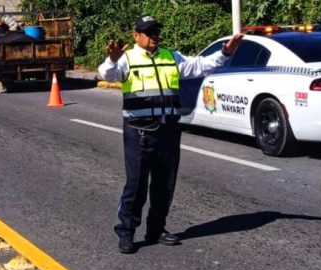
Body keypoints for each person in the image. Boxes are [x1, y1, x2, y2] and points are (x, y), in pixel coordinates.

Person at [98, 15, 244, 254]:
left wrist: (226, 53)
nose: (154, 36)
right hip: (139, 131)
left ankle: (156, 229)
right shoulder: (127, 58)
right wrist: (112, 59)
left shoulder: (171, 56)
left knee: (164, 185)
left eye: (156, 32)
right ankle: (126, 231)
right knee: (136, 186)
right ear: (136, 36)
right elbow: (108, 74)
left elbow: (200, 66)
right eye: (148, 32)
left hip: (168, 130)